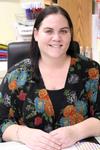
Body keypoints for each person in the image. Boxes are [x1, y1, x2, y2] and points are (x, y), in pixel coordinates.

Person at [0, 5, 100, 150]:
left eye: (63, 31)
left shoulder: (91, 71)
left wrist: (76, 132)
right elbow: (2, 121)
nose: (57, 38)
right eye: (48, 31)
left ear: (70, 34)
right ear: (36, 34)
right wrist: (23, 134)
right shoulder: (16, 76)